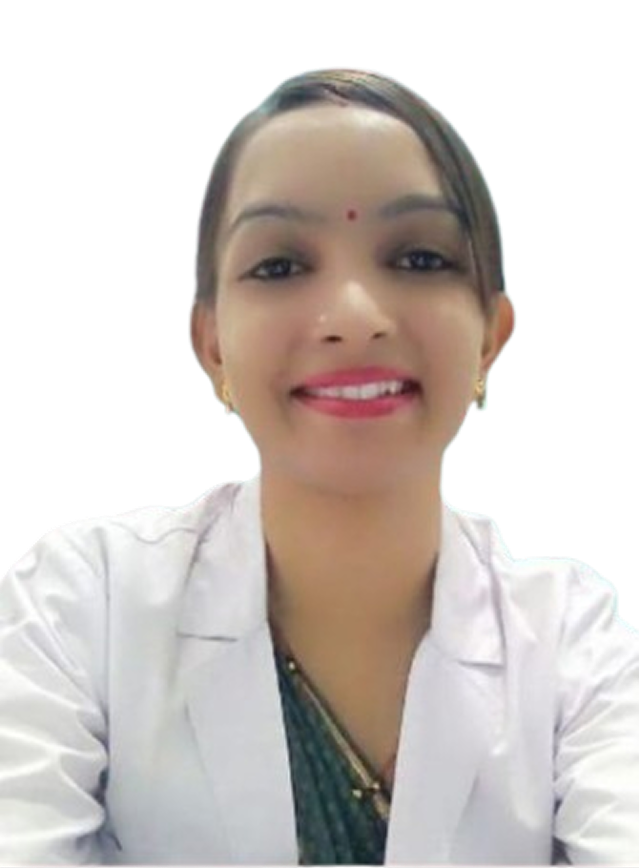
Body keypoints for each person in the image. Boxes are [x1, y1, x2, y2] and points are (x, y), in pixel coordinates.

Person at [0, 67, 637, 868]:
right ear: (212, 346)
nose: (354, 318)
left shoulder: (577, 645)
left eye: (418, 257)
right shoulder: (77, 606)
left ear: (489, 339)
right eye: (280, 266)